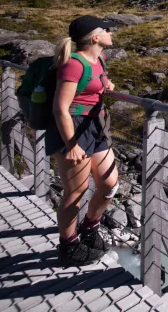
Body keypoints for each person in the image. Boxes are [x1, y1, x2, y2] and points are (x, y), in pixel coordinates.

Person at [47, 15, 119, 265]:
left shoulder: (99, 58)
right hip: (74, 129)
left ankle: (90, 227)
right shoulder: (73, 65)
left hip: (95, 125)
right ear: (95, 37)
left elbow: (93, 83)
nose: (112, 33)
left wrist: (104, 84)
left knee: (110, 184)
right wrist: (71, 145)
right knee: (76, 191)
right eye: (107, 29)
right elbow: (60, 108)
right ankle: (68, 245)